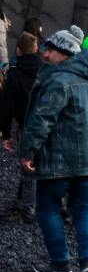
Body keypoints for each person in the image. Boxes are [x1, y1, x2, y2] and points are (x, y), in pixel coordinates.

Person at [17, 29, 88, 272]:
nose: (45, 55)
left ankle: (60, 263)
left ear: (65, 53)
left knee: (47, 207)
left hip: (59, 159)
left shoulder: (57, 81)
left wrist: (28, 152)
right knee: (85, 210)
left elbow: (42, 120)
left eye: (50, 50)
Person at [1, 29, 44, 220]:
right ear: (36, 49)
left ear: (18, 50)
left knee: (28, 166)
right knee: (41, 164)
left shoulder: (15, 74)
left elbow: (7, 107)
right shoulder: (46, 71)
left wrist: (6, 134)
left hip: (26, 124)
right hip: (46, 123)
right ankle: (31, 203)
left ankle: (27, 208)